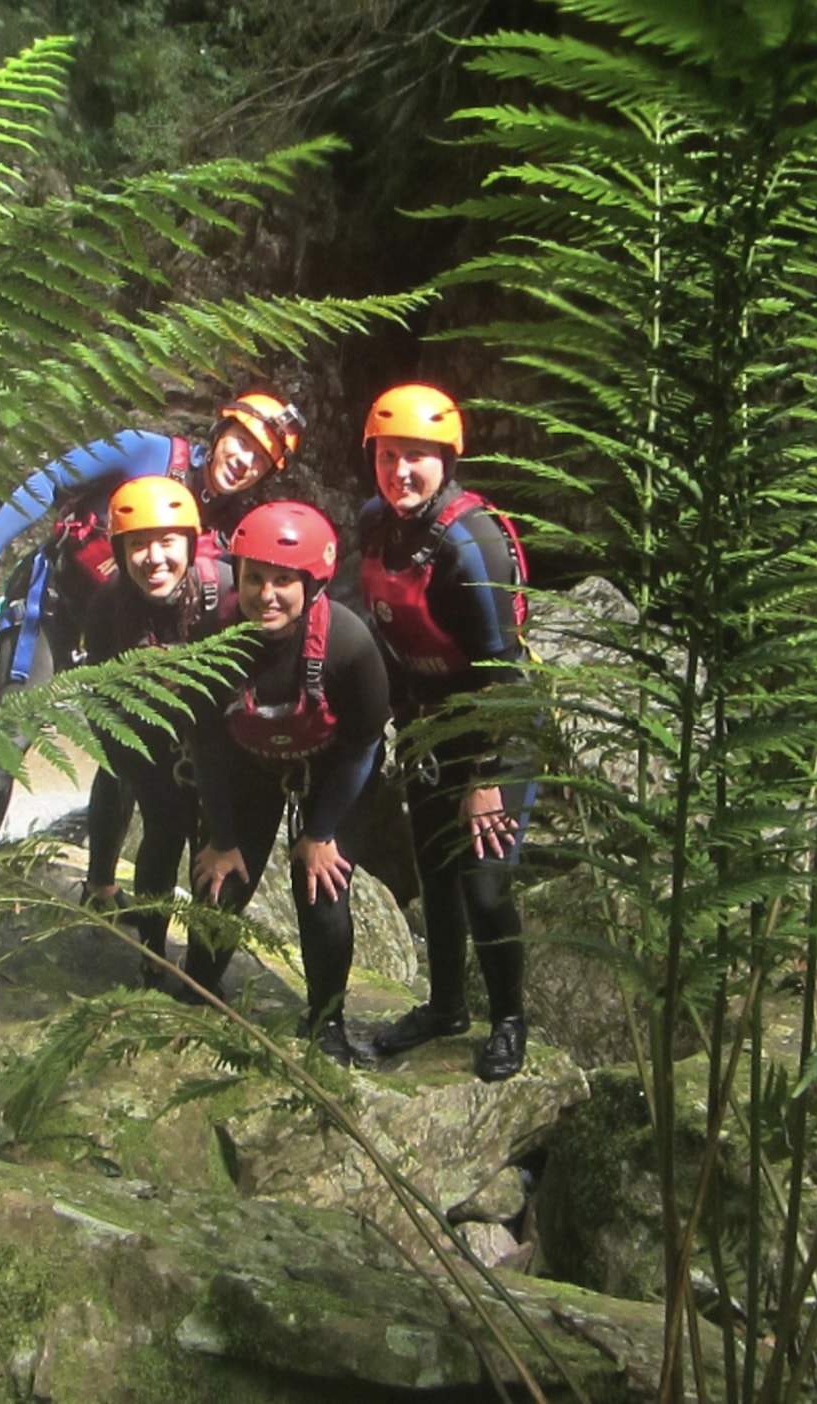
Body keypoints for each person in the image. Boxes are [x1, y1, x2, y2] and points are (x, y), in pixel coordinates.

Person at [0, 393, 304, 956]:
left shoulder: (234, 525)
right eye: (241, 442)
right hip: (55, 609)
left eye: (260, 459)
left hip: (123, 632)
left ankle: (101, 886)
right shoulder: (144, 450)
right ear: (221, 430)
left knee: (125, 751)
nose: (244, 460)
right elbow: (50, 481)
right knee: (10, 738)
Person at [359, 382, 536, 1081]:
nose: (401, 471)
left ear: (447, 460)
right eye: (388, 455)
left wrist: (486, 778)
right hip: (430, 726)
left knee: (483, 883)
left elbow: (507, 674)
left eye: (418, 458)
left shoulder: (472, 544)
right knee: (434, 872)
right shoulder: (376, 522)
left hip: (500, 727)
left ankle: (510, 1022)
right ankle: (444, 1007)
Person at [186, 501, 390, 1066]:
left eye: (283, 581)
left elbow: (364, 745)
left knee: (320, 887)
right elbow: (204, 740)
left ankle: (327, 1021)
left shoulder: (350, 646)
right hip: (248, 766)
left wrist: (321, 831)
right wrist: (222, 837)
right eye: (254, 578)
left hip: (334, 773)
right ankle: (199, 991)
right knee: (218, 879)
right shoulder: (212, 636)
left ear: (311, 585)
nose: (266, 594)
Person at [82, 476, 236, 986]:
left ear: (190, 544)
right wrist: (134, 764)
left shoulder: (226, 591)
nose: (154, 558)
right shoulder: (109, 605)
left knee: (215, 847)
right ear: (121, 551)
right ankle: (153, 955)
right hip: (151, 743)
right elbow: (102, 698)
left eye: (167, 543)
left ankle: (204, 974)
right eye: (138, 545)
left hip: (220, 739)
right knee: (163, 837)